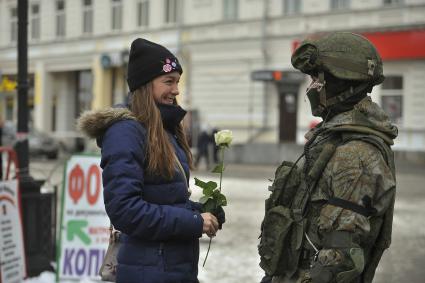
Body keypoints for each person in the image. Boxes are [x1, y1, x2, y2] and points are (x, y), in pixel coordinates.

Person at [78, 38, 224, 283]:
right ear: (145, 85)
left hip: (173, 269)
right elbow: (125, 210)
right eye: (168, 81)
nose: (176, 90)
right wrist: (193, 222)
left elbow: (163, 196)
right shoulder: (125, 132)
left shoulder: (163, 128)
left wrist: (201, 211)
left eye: (177, 81)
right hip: (148, 271)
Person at [259, 32, 397, 283]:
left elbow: (340, 256)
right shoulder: (332, 138)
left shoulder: (355, 154)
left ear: (342, 82)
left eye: (317, 79)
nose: (311, 87)